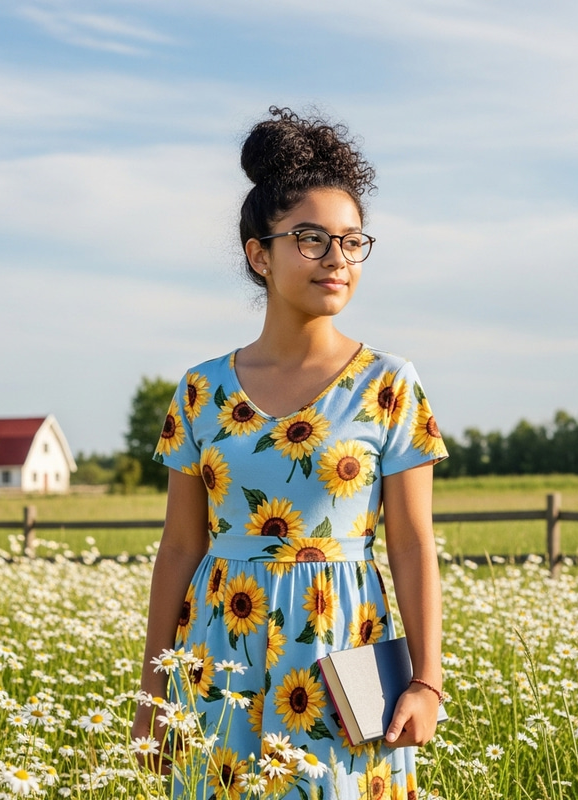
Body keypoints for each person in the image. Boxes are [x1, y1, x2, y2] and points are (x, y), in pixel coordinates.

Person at [131, 106, 448, 799]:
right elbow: (180, 548)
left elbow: (414, 545)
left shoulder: (389, 384)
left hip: (350, 652)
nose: (336, 259)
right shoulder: (200, 390)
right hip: (219, 653)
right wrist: (152, 692)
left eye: (351, 241)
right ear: (258, 255)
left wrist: (427, 680)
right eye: (311, 240)